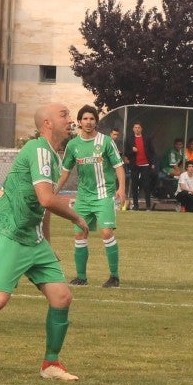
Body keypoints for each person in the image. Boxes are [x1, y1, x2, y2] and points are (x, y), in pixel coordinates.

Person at [0, 102, 89, 383]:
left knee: (62, 297)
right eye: (64, 115)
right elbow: (47, 199)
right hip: (9, 233)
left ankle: (51, 364)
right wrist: (76, 217)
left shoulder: (52, 156)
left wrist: (47, 244)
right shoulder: (37, 150)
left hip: (33, 240)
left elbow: (41, 206)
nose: (70, 119)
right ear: (47, 123)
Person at [56, 105, 125, 287]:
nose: (88, 122)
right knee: (79, 235)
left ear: (96, 121)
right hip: (84, 198)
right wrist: (53, 191)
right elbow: (65, 172)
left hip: (104, 195)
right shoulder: (73, 145)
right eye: (85, 119)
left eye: (92, 119)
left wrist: (122, 189)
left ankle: (114, 276)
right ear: (79, 122)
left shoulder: (106, 142)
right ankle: (81, 277)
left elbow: (118, 166)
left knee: (106, 232)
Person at [123, 121, 157, 210]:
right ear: (133, 129)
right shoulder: (129, 139)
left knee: (146, 185)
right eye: (135, 127)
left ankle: (148, 206)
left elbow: (152, 151)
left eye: (138, 127)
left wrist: (152, 163)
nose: (137, 129)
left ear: (141, 129)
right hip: (134, 165)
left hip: (145, 165)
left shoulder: (147, 138)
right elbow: (126, 153)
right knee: (134, 185)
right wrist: (132, 150)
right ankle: (136, 206)